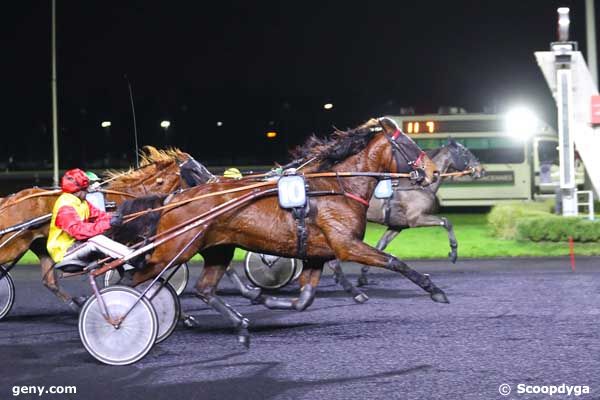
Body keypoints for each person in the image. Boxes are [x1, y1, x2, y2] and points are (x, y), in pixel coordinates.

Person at [46, 168, 131, 269]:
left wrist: (113, 217)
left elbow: (100, 215)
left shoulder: (83, 202)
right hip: (64, 253)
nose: (88, 191)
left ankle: (129, 267)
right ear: (78, 190)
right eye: (86, 189)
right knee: (96, 240)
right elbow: (79, 231)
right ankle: (131, 256)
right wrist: (108, 223)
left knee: (110, 237)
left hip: (78, 245)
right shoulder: (65, 206)